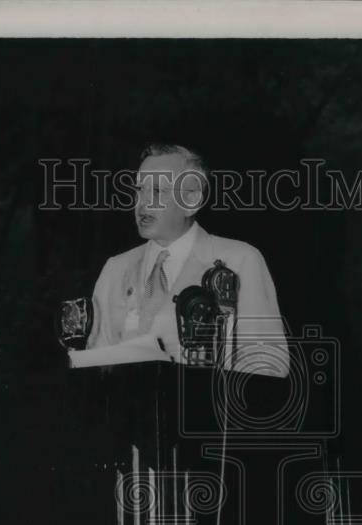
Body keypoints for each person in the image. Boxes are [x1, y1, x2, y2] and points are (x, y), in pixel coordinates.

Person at [73, 143, 289, 376]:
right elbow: (93, 369)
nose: (142, 203)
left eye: (157, 191)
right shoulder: (115, 268)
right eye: (139, 189)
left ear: (192, 201)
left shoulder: (241, 261)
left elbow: (270, 366)